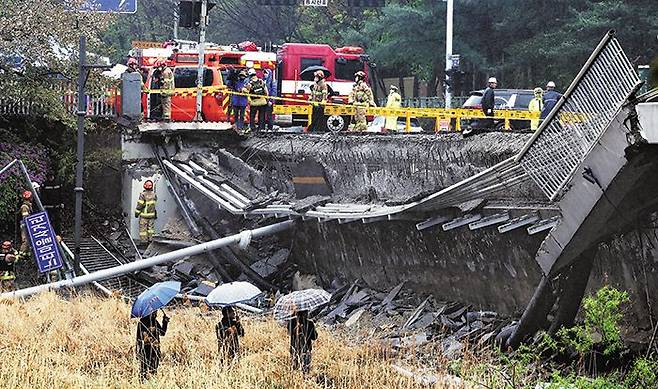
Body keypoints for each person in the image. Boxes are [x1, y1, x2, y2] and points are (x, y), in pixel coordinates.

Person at [136, 311, 169, 381]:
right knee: (147, 370)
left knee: (149, 370)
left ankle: (147, 383)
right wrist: (165, 322)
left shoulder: (152, 321)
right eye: (155, 312)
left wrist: (165, 322)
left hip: (151, 349)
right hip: (148, 349)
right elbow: (138, 338)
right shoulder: (144, 322)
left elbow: (162, 333)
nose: (156, 313)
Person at [134, 180, 157, 245]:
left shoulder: (142, 195)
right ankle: (150, 241)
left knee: (143, 230)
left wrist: (136, 214)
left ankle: (144, 242)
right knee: (150, 229)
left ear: (144, 186)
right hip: (152, 215)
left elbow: (139, 205)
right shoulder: (154, 195)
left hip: (144, 216)